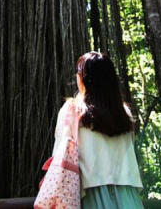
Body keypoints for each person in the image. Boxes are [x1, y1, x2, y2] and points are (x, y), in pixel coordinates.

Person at [52, 51, 144, 209]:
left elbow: (59, 154)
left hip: (91, 193)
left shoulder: (73, 110)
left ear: (84, 78)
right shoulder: (124, 113)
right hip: (128, 195)